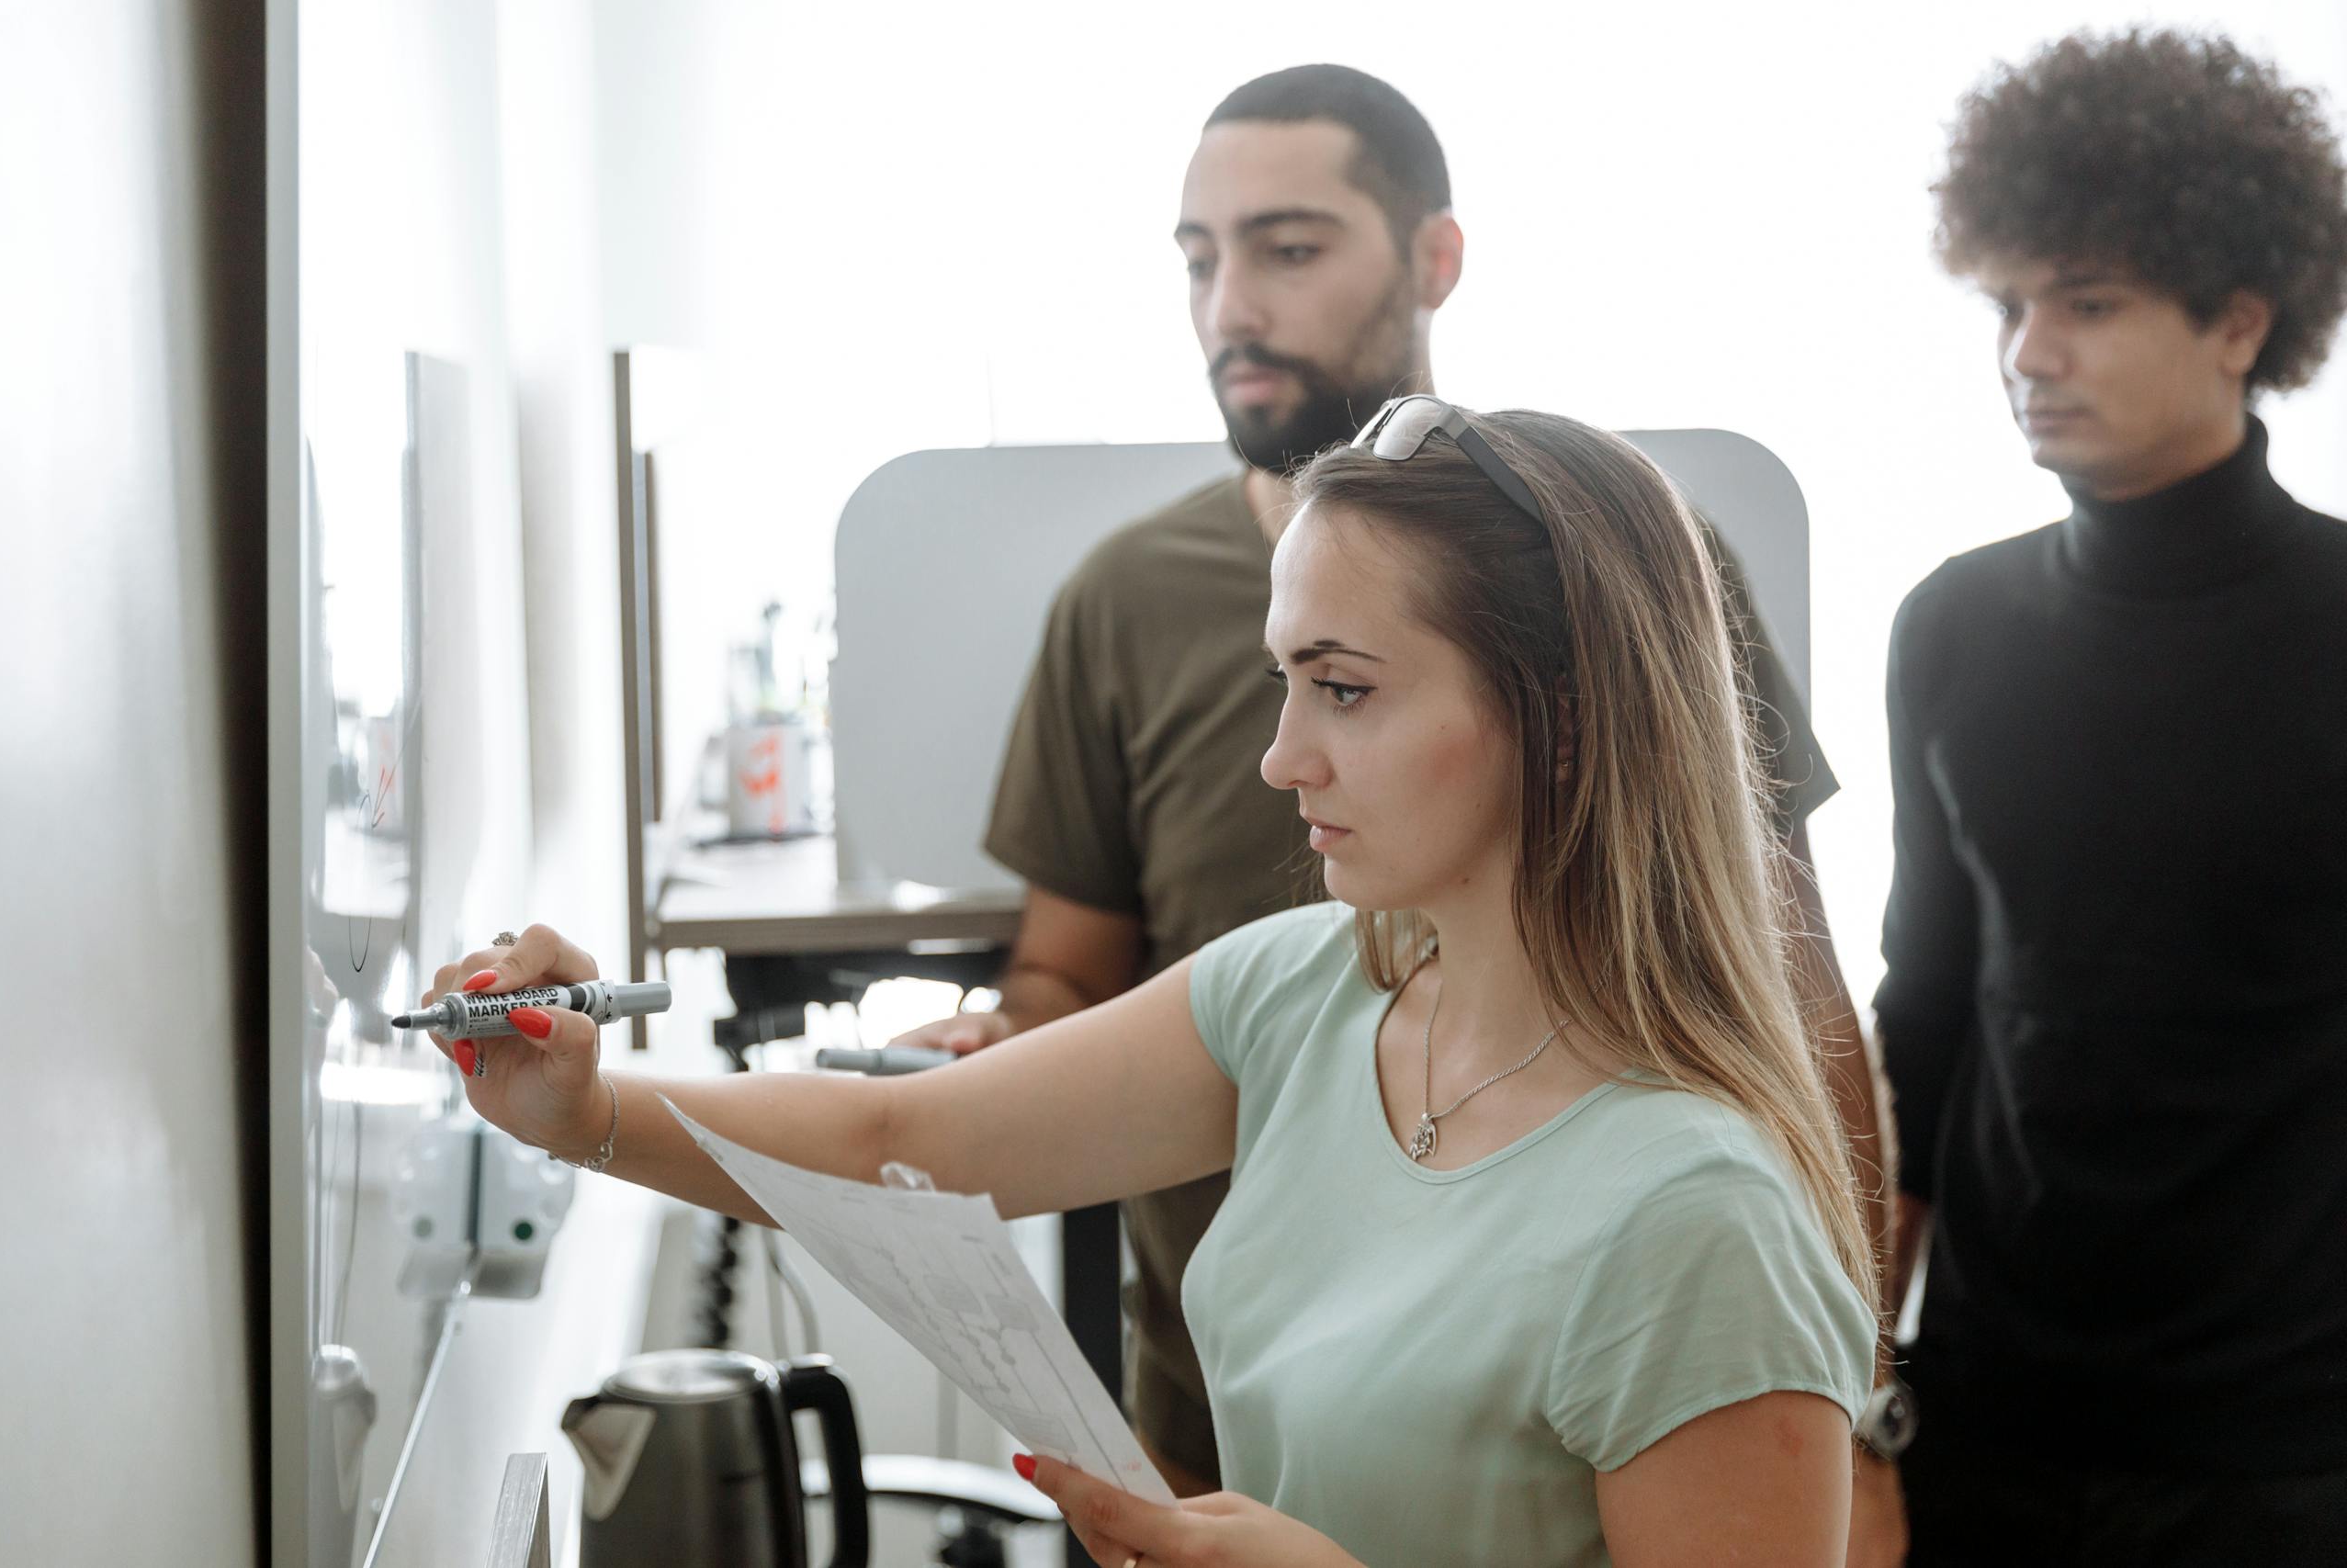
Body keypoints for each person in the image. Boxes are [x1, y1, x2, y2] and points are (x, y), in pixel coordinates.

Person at [432, 400, 1879, 1567]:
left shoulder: (1701, 1224)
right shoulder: (1307, 995)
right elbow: (906, 1146)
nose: (1282, 758)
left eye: (1348, 689)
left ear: (1558, 721)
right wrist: (587, 1106)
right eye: (1283, 683)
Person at [886, 63, 1901, 1529]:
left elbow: (1786, 980)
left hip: (1554, 1395)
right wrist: (996, 1050)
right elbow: (1067, 967)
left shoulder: (1616, 580)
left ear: (1435, 259)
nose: (1233, 303)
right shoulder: (1122, 602)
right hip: (1213, 1392)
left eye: (1288, 249)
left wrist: (1846, 1411)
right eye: (1199, 258)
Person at [1878, 28, 2347, 1564]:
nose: (2027, 353)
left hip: (2287, 1453)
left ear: (2237, 318)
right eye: (2009, 305)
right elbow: (1929, 1016)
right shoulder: (1953, 625)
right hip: (1991, 1428)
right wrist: (1859, 1362)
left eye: (2085, 304)